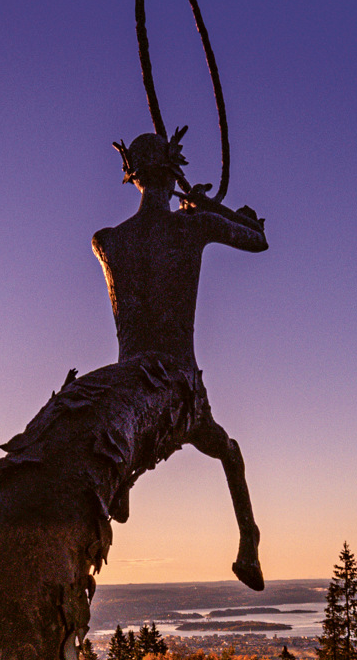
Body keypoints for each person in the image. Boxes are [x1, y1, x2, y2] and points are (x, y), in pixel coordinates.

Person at [91, 127, 270, 588]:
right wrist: (209, 208)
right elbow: (257, 240)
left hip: (128, 374)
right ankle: (248, 542)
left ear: (133, 178)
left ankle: (123, 482)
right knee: (227, 451)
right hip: (176, 381)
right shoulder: (192, 226)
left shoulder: (106, 240)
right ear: (173, 176)